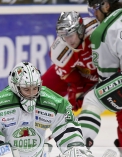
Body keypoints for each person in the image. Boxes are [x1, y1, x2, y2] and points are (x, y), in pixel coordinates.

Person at [42, 11, 99, 146]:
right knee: (38, 90)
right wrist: (76, 88)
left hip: (102, 77)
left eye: (70, 35)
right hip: (78, 76)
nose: (68, 40)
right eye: (63, 36)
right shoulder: (61, 50)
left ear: (80, 30)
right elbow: (67, 74)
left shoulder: (97, 35)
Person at [78, 0, 122, 156]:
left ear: (106, 6)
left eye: (95, 9)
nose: (95, 15)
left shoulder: (103, 31)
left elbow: (107, 77)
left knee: (92, 100)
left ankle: (76, 155)